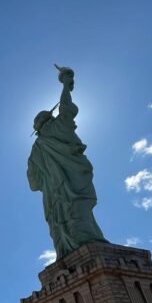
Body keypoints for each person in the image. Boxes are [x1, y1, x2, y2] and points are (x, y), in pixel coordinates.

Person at [27, 65, 107, 258]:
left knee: (63, 223)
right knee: (79, 216)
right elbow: (66, 108)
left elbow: (33, 183)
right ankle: (84, 249)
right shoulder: (57, 127)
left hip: (54, 196)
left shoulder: (35, 151)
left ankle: (72, 252)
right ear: (49, 118)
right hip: (71, 186)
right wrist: (65, 84)